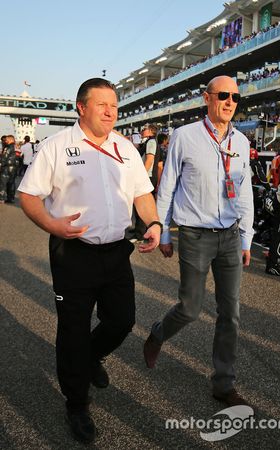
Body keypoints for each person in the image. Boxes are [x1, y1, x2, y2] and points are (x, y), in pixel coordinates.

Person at [18, 78, 162, 444]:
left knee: (122, 320)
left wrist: (155, 223)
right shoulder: (55, 147)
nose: (111, 111)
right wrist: (51, 224)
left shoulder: (125, 148)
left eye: (114, 105)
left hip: (115, 252)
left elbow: (142, 193)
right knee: (73, 330)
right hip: (73, 253)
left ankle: (90, 358)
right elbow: (28, 195)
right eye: (103, 105)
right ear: (81, 107)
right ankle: (76, 404)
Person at [143, 75, 254, 407]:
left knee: (230, 313)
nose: (230, 101)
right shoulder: (184, 136)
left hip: (231, 236)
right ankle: (159, 333)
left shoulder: (243, 142)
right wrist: (162, 231)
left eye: (235, 96)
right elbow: (167, 188)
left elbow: (244, 190)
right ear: (207, 98)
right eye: (223, 95)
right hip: (194, 234)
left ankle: (223, 382)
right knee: (190, 309)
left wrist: (247, 237)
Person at [0, 135, 18, 203]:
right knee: (12, 183)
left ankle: (2, 198)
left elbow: (4, 157)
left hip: (6, 168)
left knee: (3, 183)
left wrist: (1, 164)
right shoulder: (17, 147)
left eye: (7, 140)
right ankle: (11, 198)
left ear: (11, 140)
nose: (5, 141)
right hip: (14, 168)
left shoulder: (8, 147)